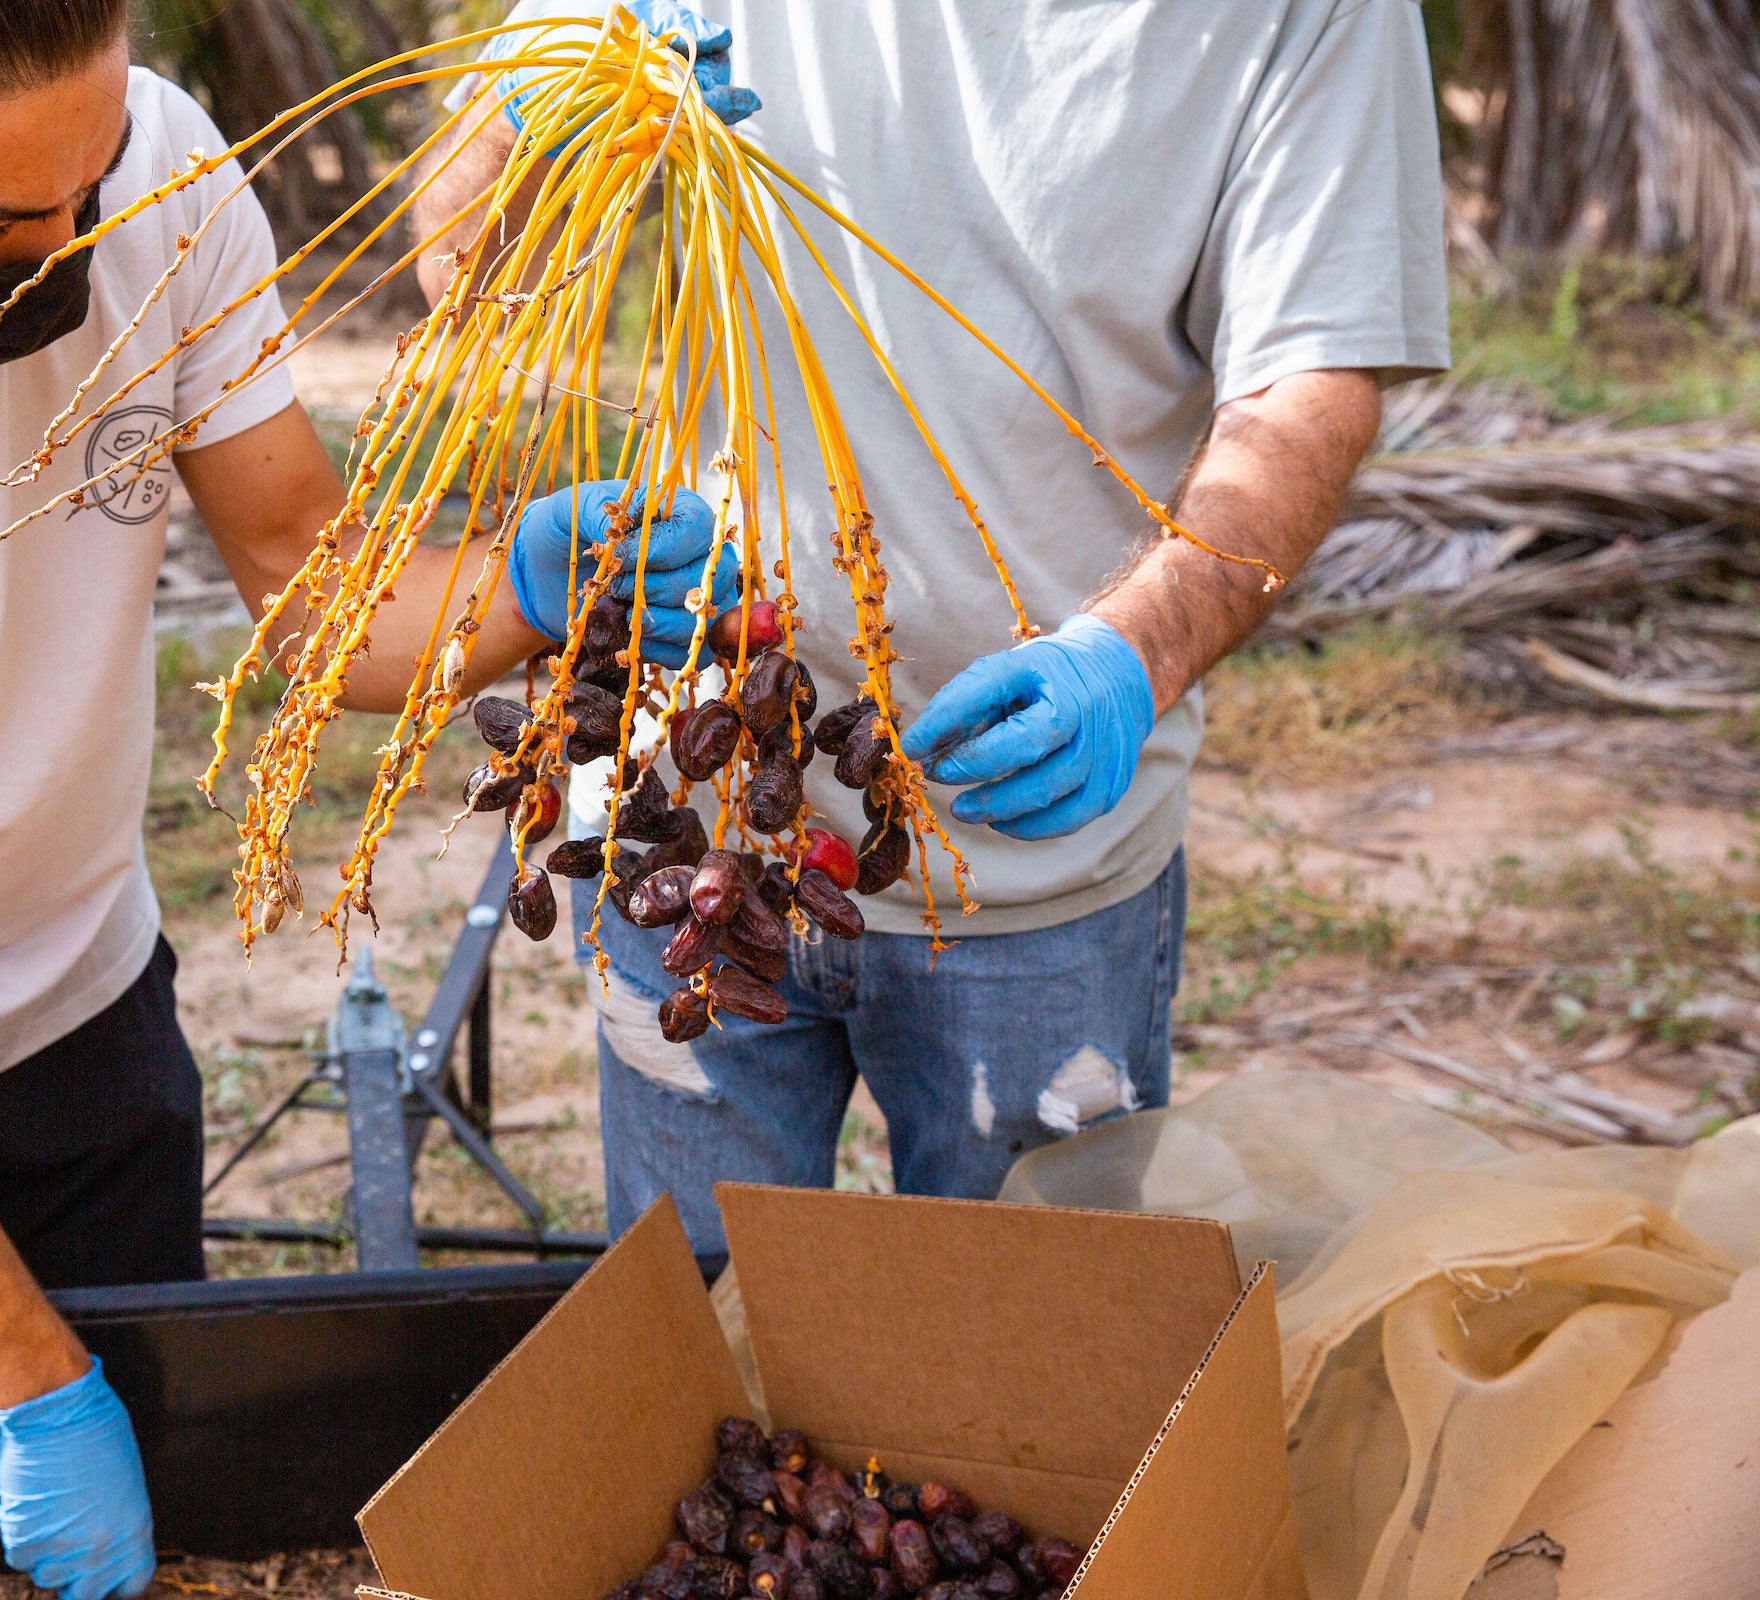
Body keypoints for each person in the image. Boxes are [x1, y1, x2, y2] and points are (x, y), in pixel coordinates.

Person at [0, 2, 724, 1593]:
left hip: (81, 982)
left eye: (87, 186)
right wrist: (34, 1386)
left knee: (169, 1516)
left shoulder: (145, 162)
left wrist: (521, 586)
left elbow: (310, 578)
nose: (76, 252)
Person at [413, 0, 1449, 1254]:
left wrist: (1134, 653)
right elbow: (458, 256)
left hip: (1028, 863)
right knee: (690, 1344)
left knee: (1023, 1365)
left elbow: (1310, 384)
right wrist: (535, 126)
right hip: (699, 806)